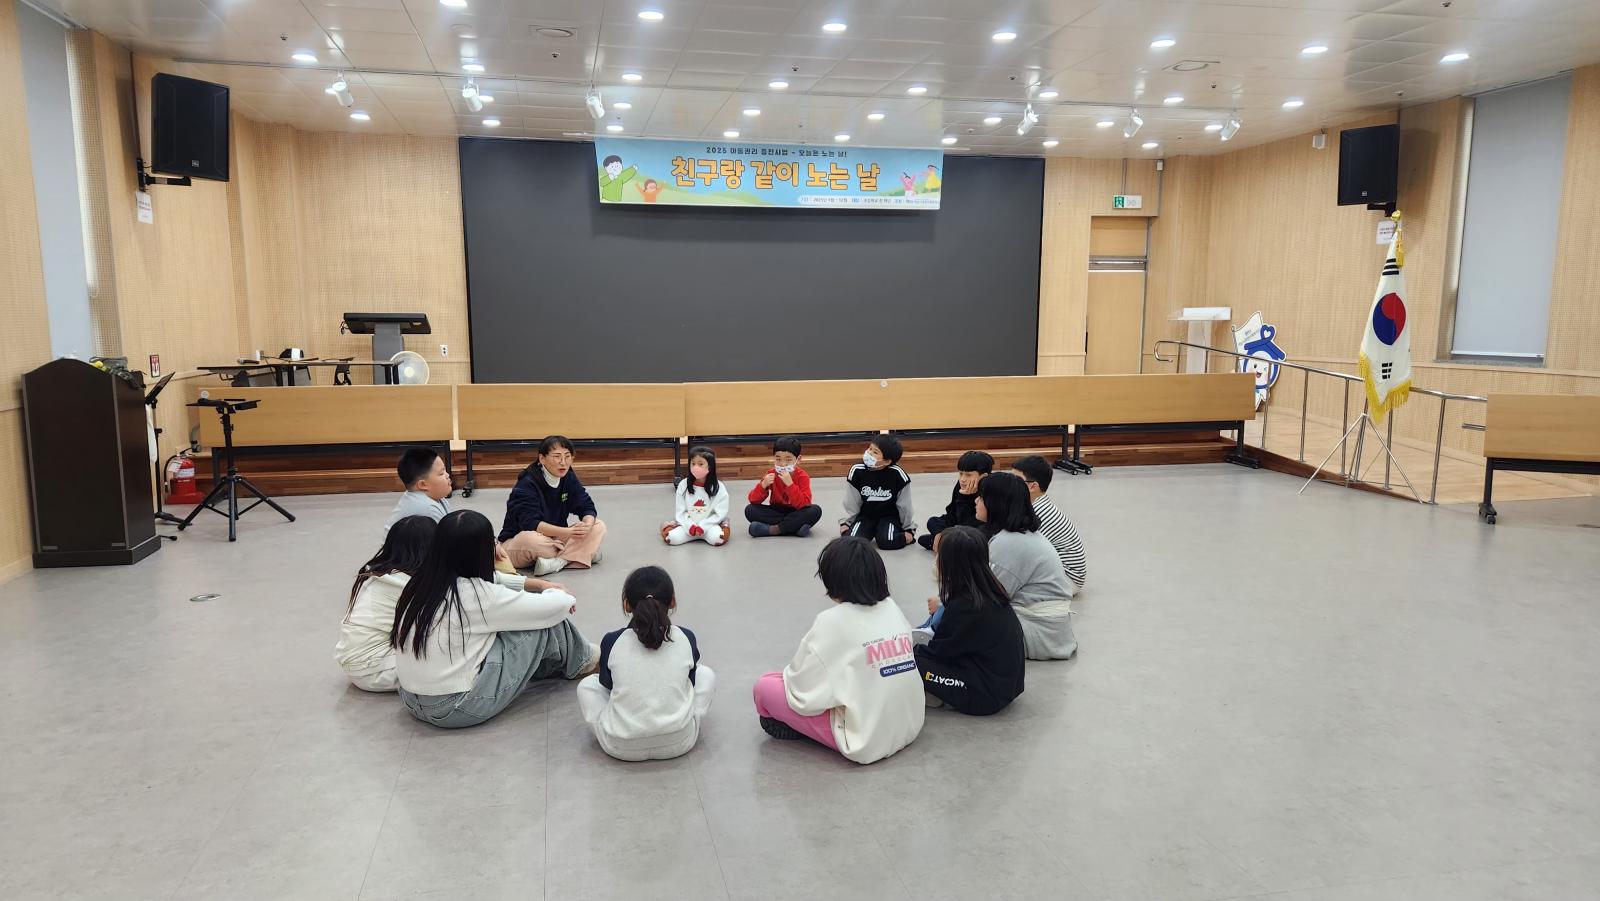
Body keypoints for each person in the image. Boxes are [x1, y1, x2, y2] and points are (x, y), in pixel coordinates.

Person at [392, 510, 597, 728]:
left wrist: (538, 585)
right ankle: (585, 660)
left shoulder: (420, 583)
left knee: (515, 621)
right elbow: (553, 608)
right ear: (480, 551)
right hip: (455, 707)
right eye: (492, 541)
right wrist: (559, 594)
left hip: (411, 698)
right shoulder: (480, 596)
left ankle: (570, 659)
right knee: (542, 624)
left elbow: (495, 580)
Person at [337, 516, 567, 692]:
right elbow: (469, 586)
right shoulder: (411, 583)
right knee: (484, 631)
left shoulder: (381, 574)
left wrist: (531, 583)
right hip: (379, 669)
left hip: (358, 663)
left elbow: (464, 579)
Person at [752, 537, 925, 764]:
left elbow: (802, 689)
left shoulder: (832, 621)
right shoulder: (892, 608)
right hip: (910, 723)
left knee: (765, 687)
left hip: (867, 738)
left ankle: (797, 728)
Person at [576, 566, 714, 761]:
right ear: (672, 601)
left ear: (627, 605)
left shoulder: (612, 640)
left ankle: (621, 722)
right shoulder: (686, 636)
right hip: (680, 741)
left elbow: (607, 685)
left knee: (587, 685)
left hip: (620, 746)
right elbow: (690, 681)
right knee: (705, 673)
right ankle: (683, 719)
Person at [915, 527, 1026, 715]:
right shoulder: (991, 590)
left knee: (910, 662)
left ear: (952, 563)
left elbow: (939, 653)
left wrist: (911, 649)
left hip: (985, 695)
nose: (936, 560)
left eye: (940, 556)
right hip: (1007, 684)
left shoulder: (965, 606)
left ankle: (937, 692)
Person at [975, 473, 1078, 660]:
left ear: (995, 503)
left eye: (981, 497)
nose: (976, 501)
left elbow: (989, 597)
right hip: (1050, 631)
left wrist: (944, 605)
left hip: (1038, 633)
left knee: (961, 623)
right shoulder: (1019, 534)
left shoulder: (1008, 542)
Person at [498, 436, 607, 574]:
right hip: (521, 541)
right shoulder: (527, 483)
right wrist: (568, 533)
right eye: (557, 456)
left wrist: (587, 525)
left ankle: (560, 562)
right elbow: (531, 524)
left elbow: (586, 506)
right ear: (542, 458)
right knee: (531, 540)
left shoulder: (568, 477)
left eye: (567, 456)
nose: (563, 462)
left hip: (555, 538)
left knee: (598, 525)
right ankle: (582, 554)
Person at [1010, 455, 1087, 595]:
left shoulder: (1038, 512)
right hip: (1064, 574)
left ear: (1033, 486)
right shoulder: (1037, 504)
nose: (1010, 485)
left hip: (1068, 579)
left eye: (1015, 481)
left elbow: (1021, 550)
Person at [839, 434, 915, 550]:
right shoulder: (857, 471)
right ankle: (863, 530)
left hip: (889, 517)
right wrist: (847, 522)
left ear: (887, 461)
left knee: (887, 541)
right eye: (870, 448)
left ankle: (888, 532)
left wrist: (908, 528)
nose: (869, 453)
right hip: (865, 516)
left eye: (875, 452)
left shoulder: (898, 475)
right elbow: (851, 501)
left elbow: (905, 505)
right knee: (852, 542)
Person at [745, 435, 823, 538]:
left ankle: (773, 530)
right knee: (750, 510)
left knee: (815, 511)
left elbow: (804, 504)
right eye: (778, 459)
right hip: (776, 511)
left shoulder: (803, 476)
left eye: (788, 460)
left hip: (796, 511)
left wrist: (790, 485)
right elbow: (753, 500)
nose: (782, 464)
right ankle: (795, 528)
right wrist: (763, 485)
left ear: (798, 459)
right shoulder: (771, 474)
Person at [917, 450, 993, 550]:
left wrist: (965, 497)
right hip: (958, 526)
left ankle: (947, 544)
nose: (962, 479)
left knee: (977, 536)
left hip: (976, 530)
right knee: (932, 522)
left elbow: (970, 524)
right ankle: (947, 543)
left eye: (968, 475)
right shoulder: (960, 485)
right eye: (961, 474)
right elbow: (952, 514)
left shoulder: (991, 492)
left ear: (984, 477)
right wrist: (939, 532)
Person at [662, 446, 730, 546]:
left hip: (709, 526)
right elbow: (681, 511)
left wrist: (703, 526)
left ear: (710, 466)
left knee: (718, 539)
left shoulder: (719, 487)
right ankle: (669, 525)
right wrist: (690, 526)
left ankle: (724, 526)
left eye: (700, 464)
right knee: (671, 538)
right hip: (688, 526)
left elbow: (719, 513)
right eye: (693, 464)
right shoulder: (683, 485)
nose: (695, 467)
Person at [383, 447, 451, 533]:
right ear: (423, 484)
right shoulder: (427, 509)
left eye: (445, 470)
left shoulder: (436, 496)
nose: (447, 475)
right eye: (441, 473)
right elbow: (444, 538)